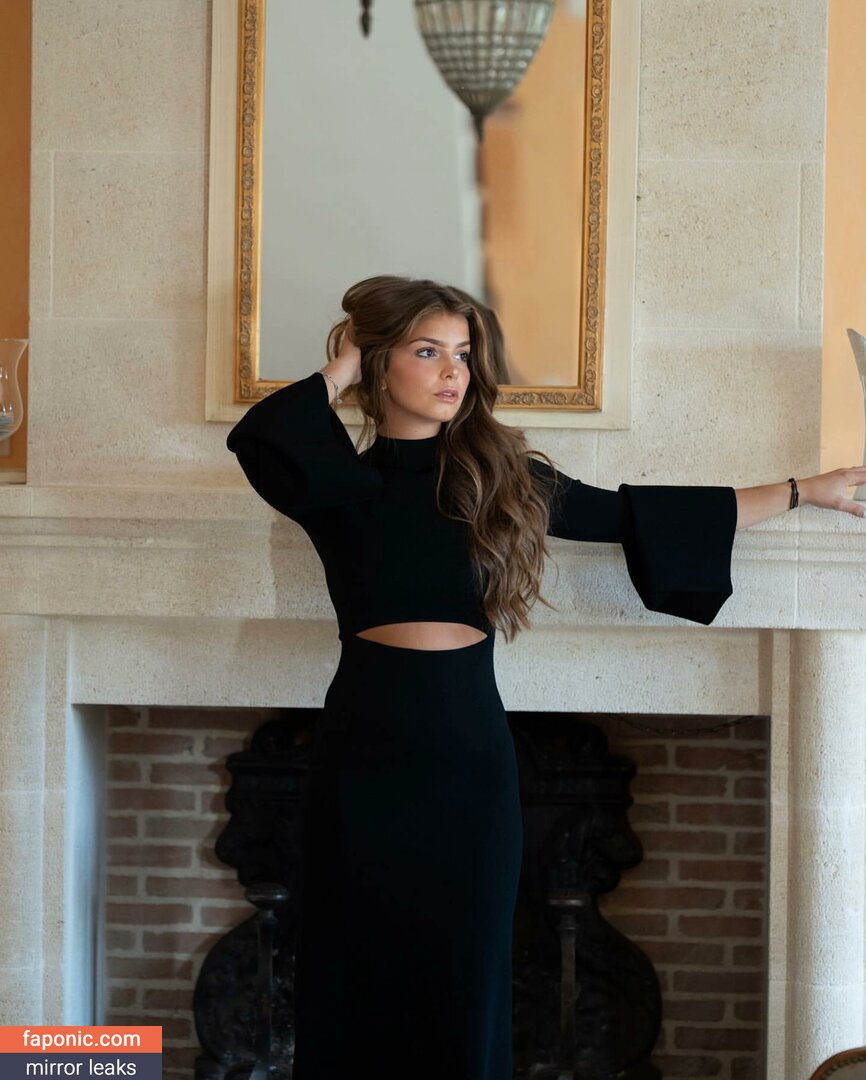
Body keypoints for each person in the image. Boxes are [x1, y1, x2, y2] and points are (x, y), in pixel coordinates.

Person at [226, 275, 866, 1080]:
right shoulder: (335, 482)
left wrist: (805, 491)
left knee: (466, 972)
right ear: (381, 364)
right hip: (362, 758)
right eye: (427, 352)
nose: (452, 371)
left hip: (470, 763)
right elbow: (261, 433)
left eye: (463, 354)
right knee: (353, 965)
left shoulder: (498, 476)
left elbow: (634, 514)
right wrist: (347, 359)